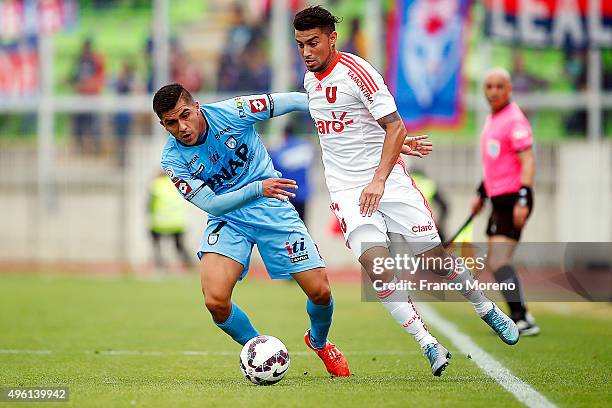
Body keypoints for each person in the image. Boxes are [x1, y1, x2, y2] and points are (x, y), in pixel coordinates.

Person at [293, 6, 519, 377]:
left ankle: (485, 308)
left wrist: (382, 174)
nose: (306, 52)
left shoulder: (359, 73)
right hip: (348, 192)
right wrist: (394, 142)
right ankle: (427, 343)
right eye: (300, 44)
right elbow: (358, 130)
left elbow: (394, 125)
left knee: (434, 261)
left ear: (332, 39)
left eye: (313, 43)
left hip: (389, 183)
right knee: (378, 269)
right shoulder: (309, 81)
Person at [153, 83, 350, 377]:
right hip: (230, 218)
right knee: (215, 301)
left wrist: (338, 110)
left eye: (185, 115)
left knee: (320, 292)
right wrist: (258, 188)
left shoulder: (233, 112)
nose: (182, 127)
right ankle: (260, 350)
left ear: (196, 107)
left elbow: (292, 100)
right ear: (163, 125)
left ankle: (319, 342)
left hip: (273, 209)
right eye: (171, 122)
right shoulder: (172, 159)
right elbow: (213, 205)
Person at [471, 67, 540, 336]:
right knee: (495, 261)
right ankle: (522, 312)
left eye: (500, 86)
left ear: (509, 89)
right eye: (489, 86)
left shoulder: (515, 120)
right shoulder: (493, 119)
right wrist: (481, 193)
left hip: (514, 197)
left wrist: (523, 198)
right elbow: (495, 164)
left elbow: (528, 160)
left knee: (499, 260)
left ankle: (522, 319)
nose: (494, 92)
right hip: (497, 198)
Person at [148, 170, 193, 272]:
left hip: (160, 222)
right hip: (177, 221)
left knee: (156, 244)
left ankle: (160, 266)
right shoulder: (177, 183)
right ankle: (189, 266)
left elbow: (149, 204)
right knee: (179, 245)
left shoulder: (156, 184)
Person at [269, 124, 315, 223]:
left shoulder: (279, 151)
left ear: (284, 134)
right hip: (303, 192)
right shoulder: (306, 147)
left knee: (288, 224)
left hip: (287, 193)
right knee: (302, 223)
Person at [71, 38, 105, 154]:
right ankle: (81, 148)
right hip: (82, 96)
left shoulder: (94, 60)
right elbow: (74, 77)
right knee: (80, 124)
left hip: (91, 97)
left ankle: (94, 148)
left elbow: (100, 76)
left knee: (92, 124)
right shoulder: (80, 60)